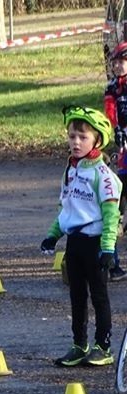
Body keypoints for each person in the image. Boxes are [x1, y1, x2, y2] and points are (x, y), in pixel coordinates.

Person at [40, 106, 122, 367]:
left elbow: (111, 216)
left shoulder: (103, 176)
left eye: (82, 137)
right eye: (72, 136)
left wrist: (108, 249)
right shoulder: (70, 170)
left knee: (99, 296)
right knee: (77, 296)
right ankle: (79, 344)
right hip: (74, 243)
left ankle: (103, 346)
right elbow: (67, 209)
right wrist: (53, 235)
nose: (75, 142)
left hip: (95, 243)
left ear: (97, 140)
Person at [103, 40, 127, 280]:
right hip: (122, 153)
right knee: (114, 209)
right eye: (115, 63)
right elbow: (110, 115)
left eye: (122, 62)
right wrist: (116, 130)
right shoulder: (112, 88)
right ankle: (112, 264)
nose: (118, 66)